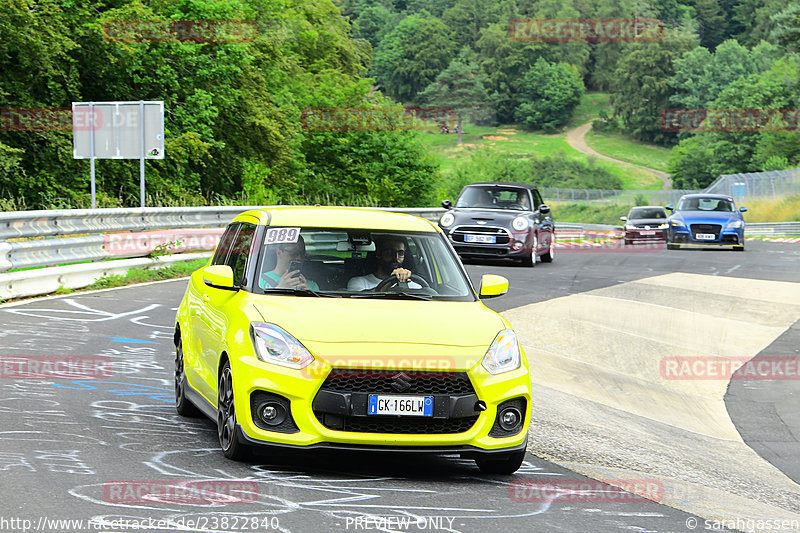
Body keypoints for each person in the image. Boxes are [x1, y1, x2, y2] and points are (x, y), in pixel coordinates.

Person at [347, 236, 418, 291]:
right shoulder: (359, 282)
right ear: (378, 253)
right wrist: (389, 283)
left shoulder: (413, 286)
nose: (396, 257)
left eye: (401, 253)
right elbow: (358, 301)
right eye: (390, 252)